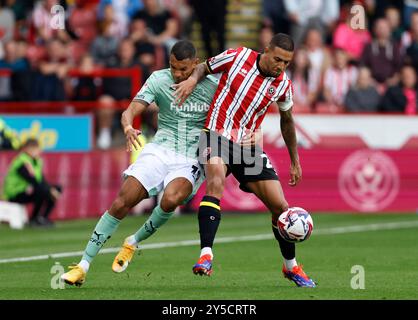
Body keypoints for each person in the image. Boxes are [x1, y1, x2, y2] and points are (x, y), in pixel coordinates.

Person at [60, 40, 221, 287]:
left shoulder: (212, 86)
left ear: (196, 65)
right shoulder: (159, 79)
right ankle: (83, 265)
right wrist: (127, 125)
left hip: (191, 156)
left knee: (170, 200)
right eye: (173, 67)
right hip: (160, 149)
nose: (177, 74)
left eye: (183, 69)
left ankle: (132, 242)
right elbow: (130, 110)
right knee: (123, 200)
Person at [174, 33, 316, 287]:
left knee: (281, 208)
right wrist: (192, 81)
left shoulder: (282, 84)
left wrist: (295, 159)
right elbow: (203, 67)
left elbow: (287, 121)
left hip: (248, 147)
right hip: (216, 135)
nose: (280, 66)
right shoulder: (238, 56)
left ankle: (291, 268)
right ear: (266, 50)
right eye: (277, 59)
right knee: (215, 181)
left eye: (286, 62)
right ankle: (206, 255)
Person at [2, 138, 62, 227]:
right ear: (27, 149)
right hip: (14, 194)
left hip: (25, 191)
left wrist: (52, 189)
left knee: (56, 188)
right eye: (34, 149)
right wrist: (50, 190)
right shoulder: (22, 161)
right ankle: (34, 219)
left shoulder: (37, 161)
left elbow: (41, 180)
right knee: (42, 190)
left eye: (37, 149)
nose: (37, 151)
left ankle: (43, 218)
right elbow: (32, 180)